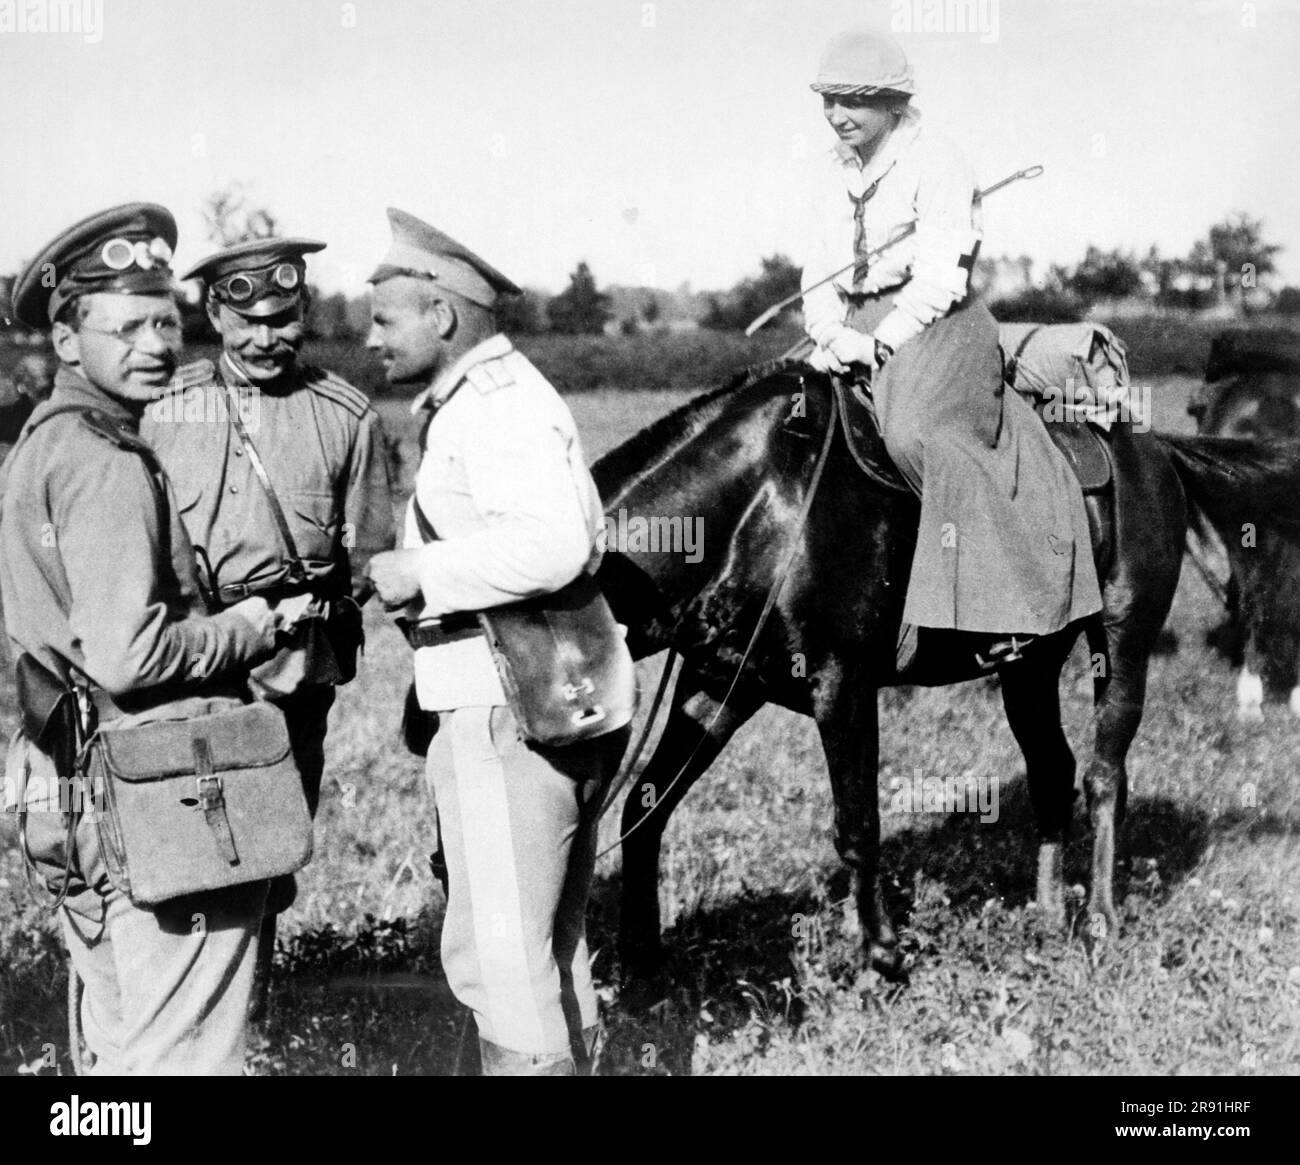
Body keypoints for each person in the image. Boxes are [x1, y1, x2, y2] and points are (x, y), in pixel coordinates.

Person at [0, 203, 287, 1073]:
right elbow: (127, 653)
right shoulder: (107, 462)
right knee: (185, 1058)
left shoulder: (39, 448)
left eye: (167, 320)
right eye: (124, 326)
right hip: (152, 792)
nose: (157, 343)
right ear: (65, 338)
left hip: (61, 784)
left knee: (123, 1055)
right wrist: (243, 631)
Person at [364, 208, 629, 1075]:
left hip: (498, 710)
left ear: (441, 315)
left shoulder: (494, 408)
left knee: (501, 956)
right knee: (546, 947)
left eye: (384, 317)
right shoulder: (496, 398)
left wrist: (419, 574)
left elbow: (553, 543)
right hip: (533, 700)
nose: (369, 338)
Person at [141, 238, 395, 1012]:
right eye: (245, 320)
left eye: (281, 319)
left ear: (305, 311)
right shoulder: (158, 410)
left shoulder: (346, 417)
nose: (265, 338)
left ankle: (249, 1004)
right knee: (178, 844)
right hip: (185, 660)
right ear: (213, 313)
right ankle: (181, 1012)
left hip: (289, 669)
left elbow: (370, 559)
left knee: (270, 845)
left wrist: (314, 611)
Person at [799, 28, 1102, 667]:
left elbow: (941, 277)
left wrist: (876, 345)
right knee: (787, 419)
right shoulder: (828, 169)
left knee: (914, 436)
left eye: (853, 101)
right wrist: (831, 334)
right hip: (850, 323)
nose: (837, 116)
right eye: (829, 100)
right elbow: (817, 272)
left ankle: (999, 608)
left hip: (936, 322)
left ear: (893, 104)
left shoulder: (937, 159)